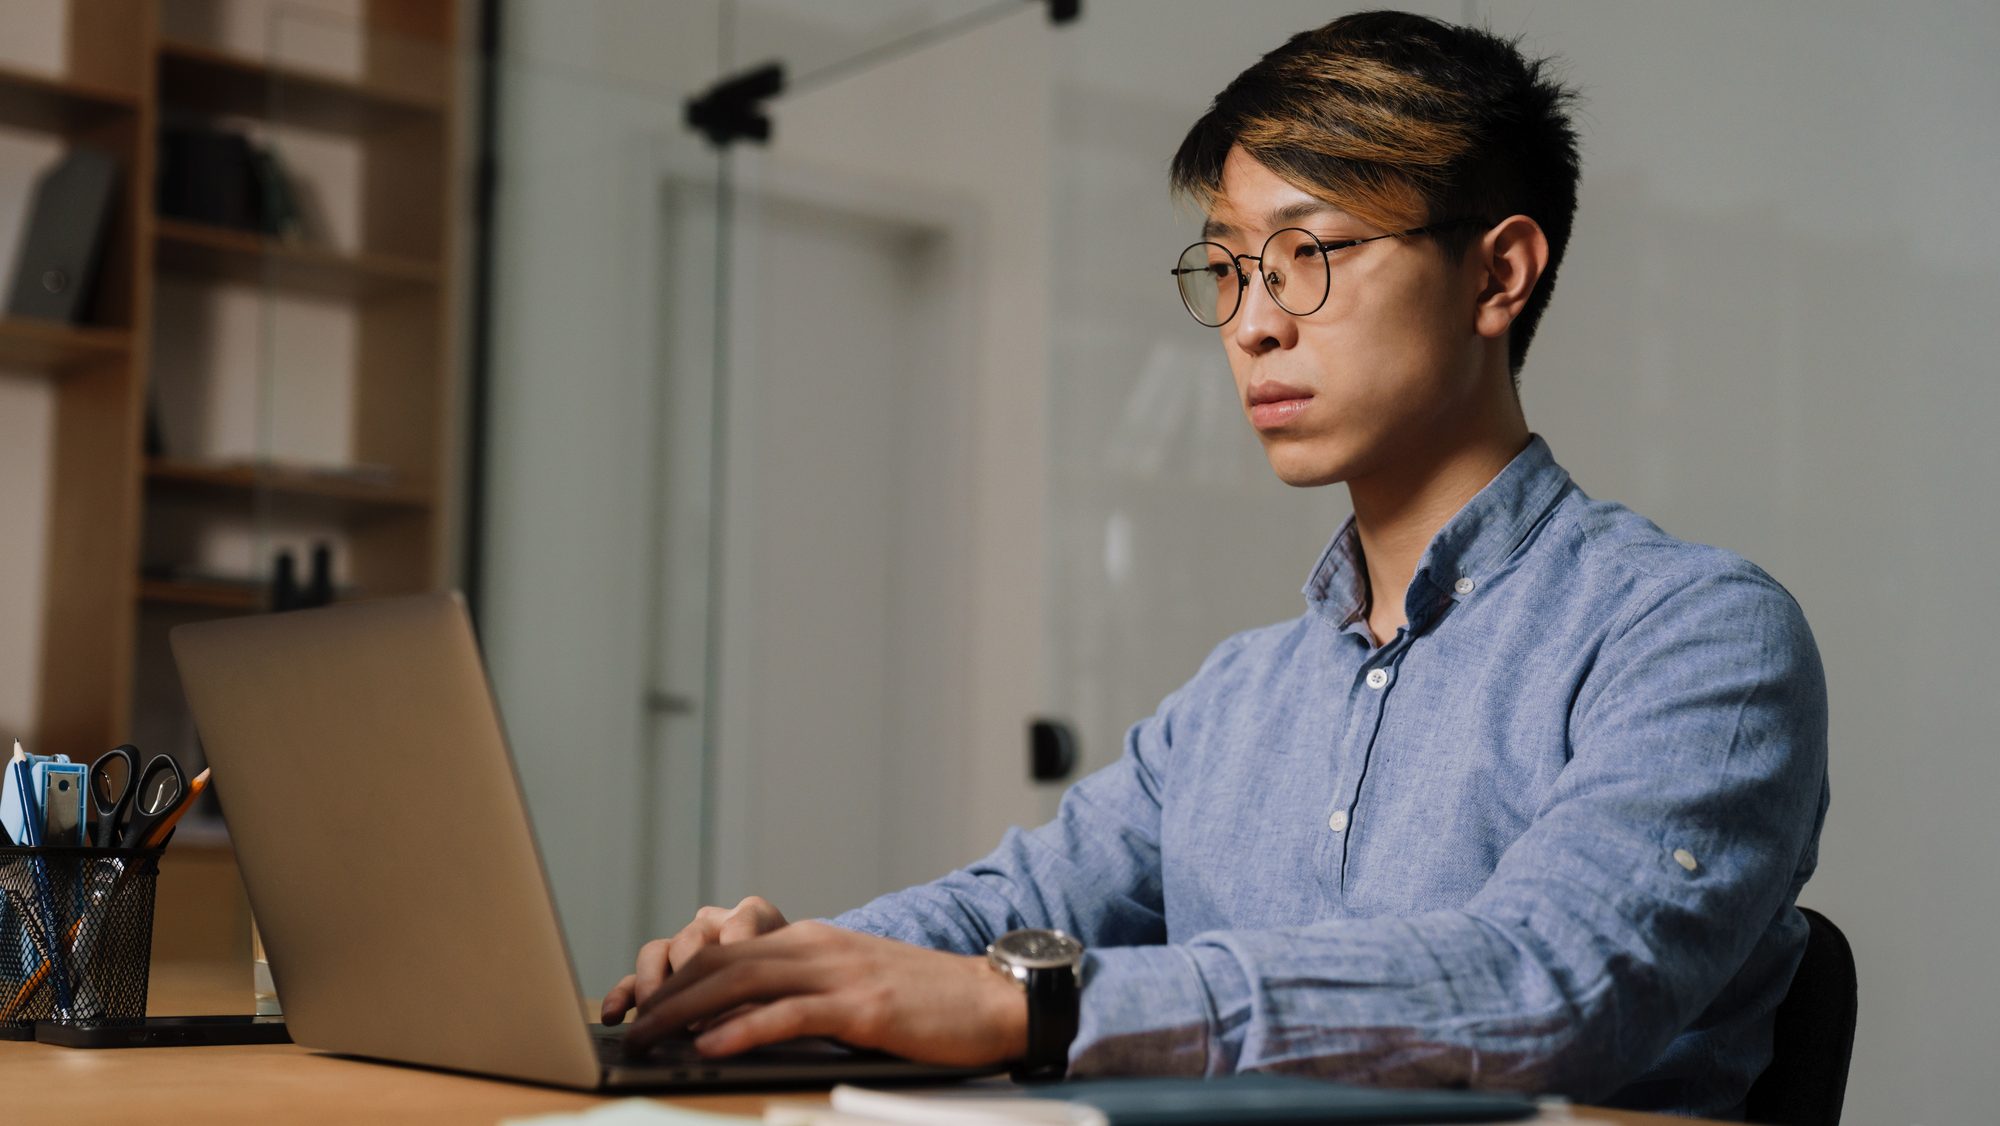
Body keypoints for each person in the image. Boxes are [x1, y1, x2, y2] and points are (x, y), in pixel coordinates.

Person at [602, 10, 1828, 1118]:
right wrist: (790, 965)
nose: (1251, 321)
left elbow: (1550, 982)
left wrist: (1039, 1007)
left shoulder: (1692, 635)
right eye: (1229, 266)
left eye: (1308, 253)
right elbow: (1012, 904)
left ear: (1497, 273)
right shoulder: (1239, 699)